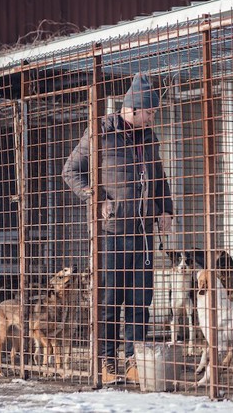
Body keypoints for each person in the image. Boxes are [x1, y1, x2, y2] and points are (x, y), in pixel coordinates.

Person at [62, 72, 173, 384]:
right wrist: (94, 198)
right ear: (134, 109)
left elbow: (159, 176)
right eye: (149, 113)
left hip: (142, 233)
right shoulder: (100, 132)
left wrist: (165, 209)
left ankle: (134, 362)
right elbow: (70, 170)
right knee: (110, 300)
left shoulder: (148, 138)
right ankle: (106, 364)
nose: (152, 118)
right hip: (109, 234)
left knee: (140, 300)